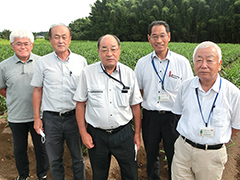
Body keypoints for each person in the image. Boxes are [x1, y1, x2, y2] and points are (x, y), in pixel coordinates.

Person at [74, 34, 142, 180]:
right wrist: (83, 133)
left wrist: (137, 134)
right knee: (99, 175)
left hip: (123, 134)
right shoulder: (88, 73)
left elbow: (135, 106)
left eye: (113, 49)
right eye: (104, 49)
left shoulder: (128, 73)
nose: (109, 54)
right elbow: (80, 104)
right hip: (97, 136)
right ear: (98, 51)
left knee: (130, 174)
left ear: (119, 51)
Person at [171, 41, 240, 180]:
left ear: (219, 64)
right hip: (183, 150)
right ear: (193, 63)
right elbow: (179, 113)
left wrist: (214, 139)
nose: (204, 65)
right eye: (199, 60)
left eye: (209, 60)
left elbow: (236, 126)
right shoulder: (185, 87)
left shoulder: (232, 93)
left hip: (211, 155)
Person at [134, 20, 194, 180]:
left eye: (162, 36)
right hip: (150, 117)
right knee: (151, 155)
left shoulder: (182, 63)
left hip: (173, 117)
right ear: (149, 38)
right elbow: (137, 92)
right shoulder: (142, 63)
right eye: (154, 36)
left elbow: (188, 92)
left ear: (169, 37)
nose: (158, 40)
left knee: (175, 155)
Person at [30, 24, 87, 180]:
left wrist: (85, 119)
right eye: (56, 37)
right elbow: (37, 90)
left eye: (64, 37)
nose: (60, 40)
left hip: (74, 117)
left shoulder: (80, 61)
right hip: (51, 119)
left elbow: (85, 92)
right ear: (50, 40)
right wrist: (37, 118)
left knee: (77, 158)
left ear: (69, 39)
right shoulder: (43, 62)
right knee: (54, 160)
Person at [0, 28, 49, 180]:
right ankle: (23, 175)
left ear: (32, 45)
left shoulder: (42, 62)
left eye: (26, 44)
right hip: (16, 116)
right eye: (18, 44)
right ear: (12, 45)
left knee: (41, 148)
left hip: (39, 116)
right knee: (19, 148)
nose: (23, 47)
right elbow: (2, 88)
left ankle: (42, 175)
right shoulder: (4, 66)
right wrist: (15, 98)